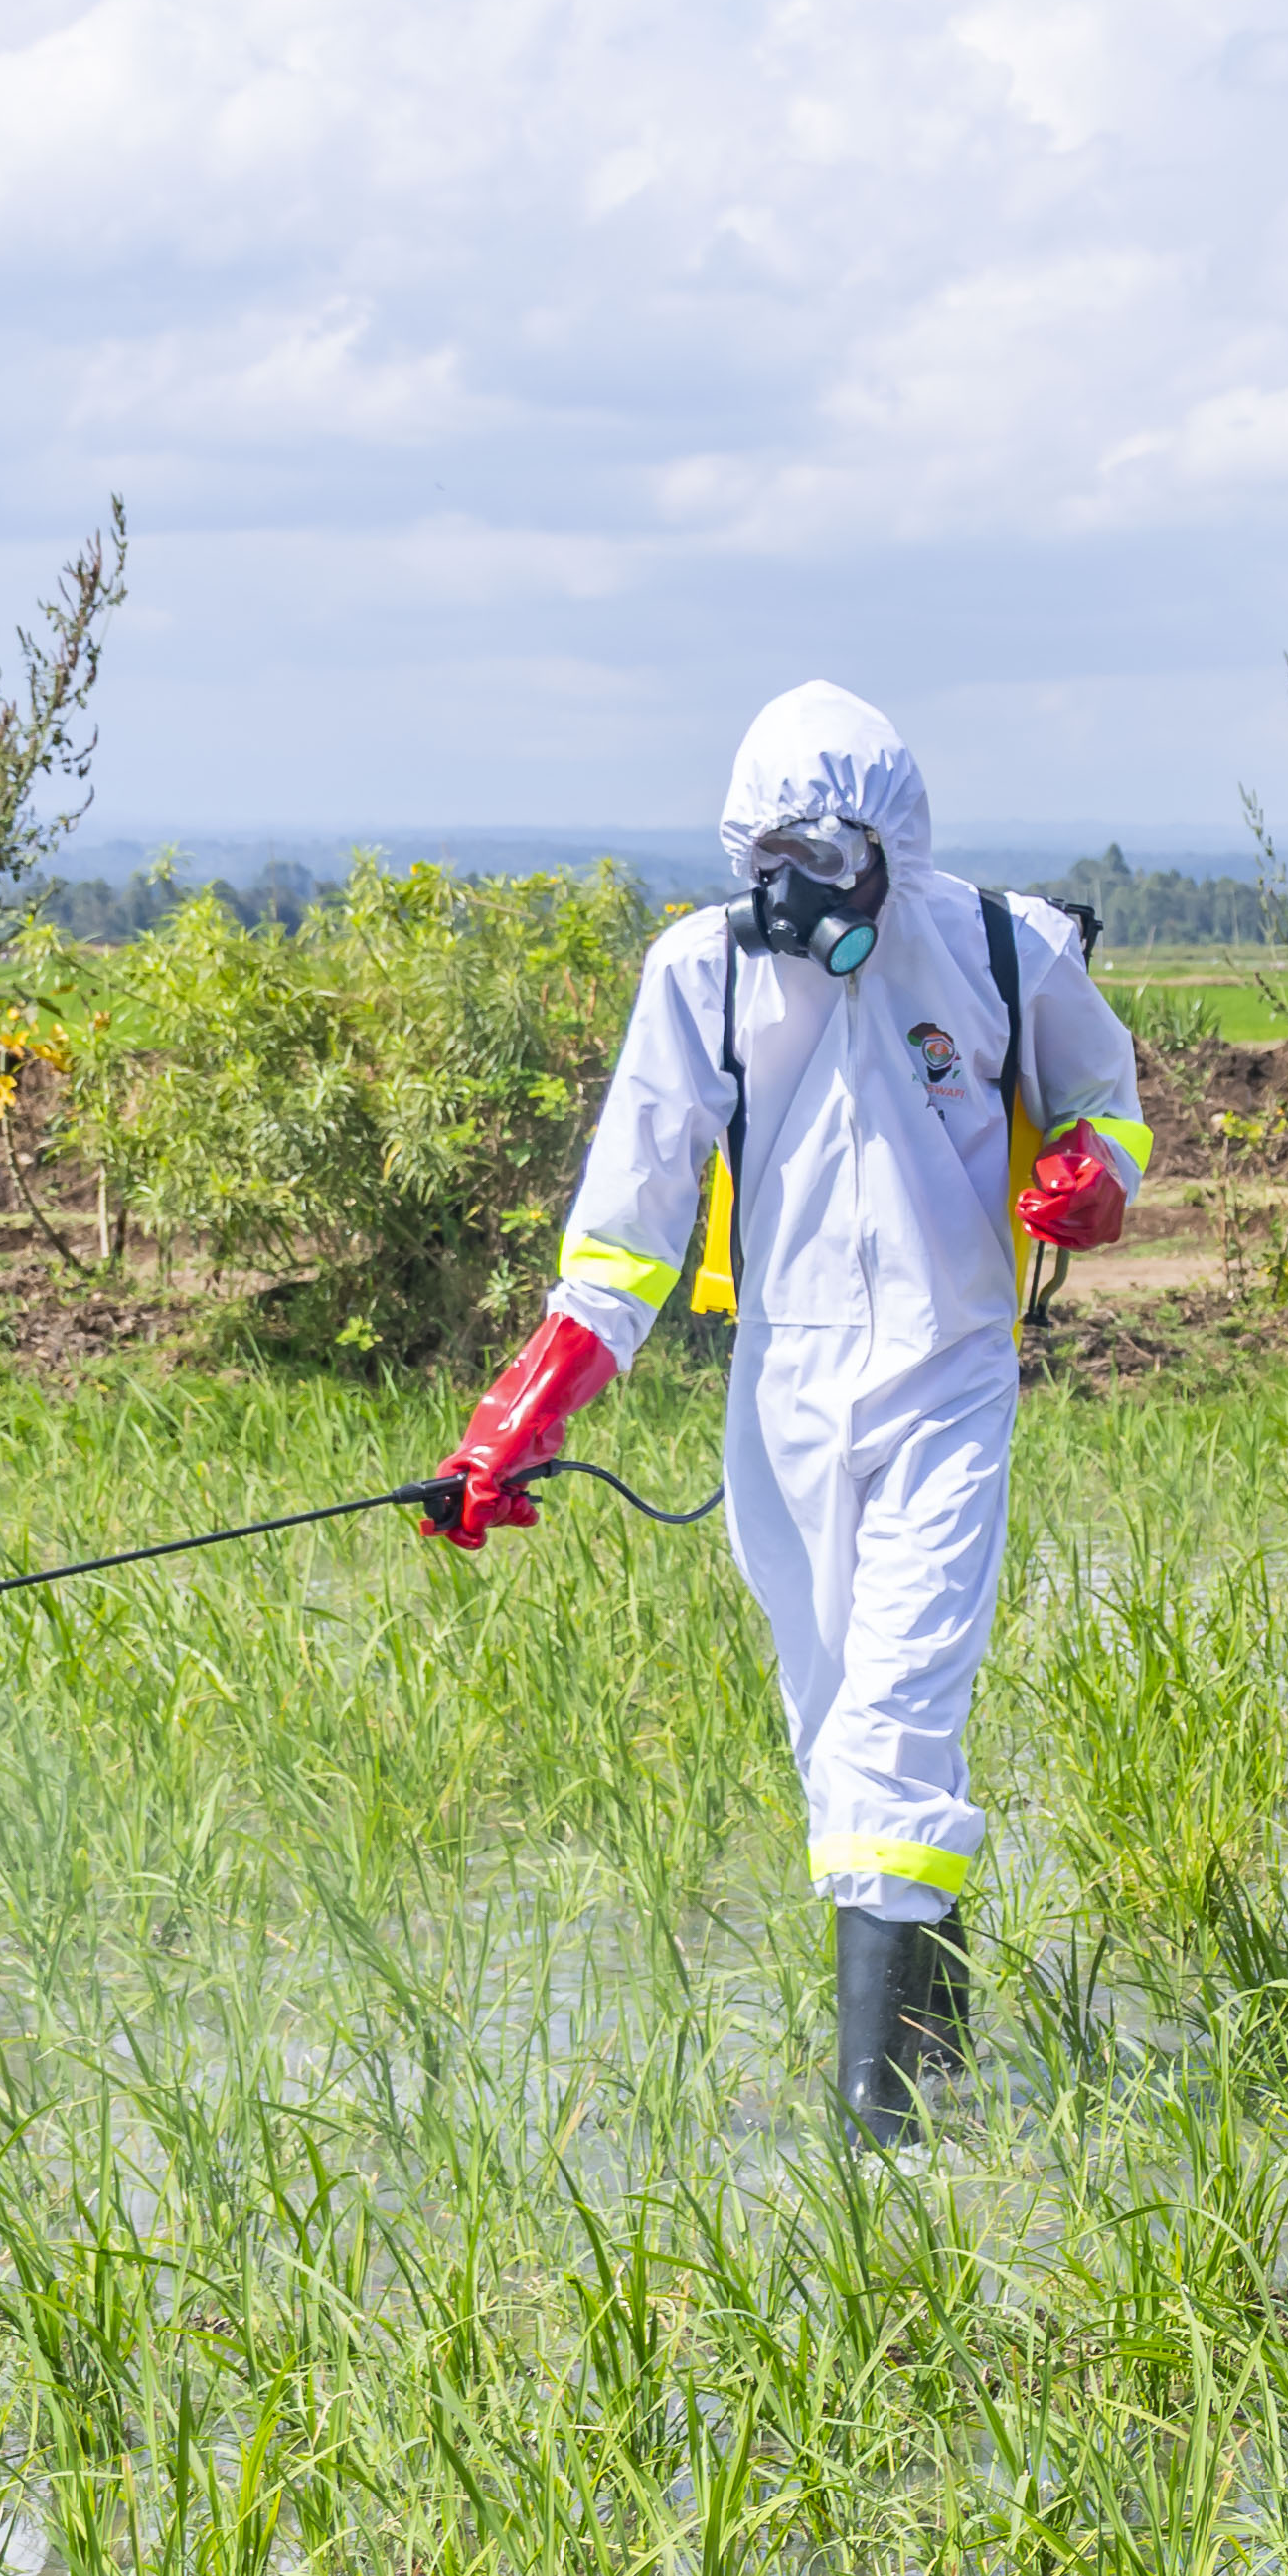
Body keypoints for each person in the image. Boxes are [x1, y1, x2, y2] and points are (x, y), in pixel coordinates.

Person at [427, 683, 1152, 2144]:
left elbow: (1105, 1097)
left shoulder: (1003, 944)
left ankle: (875, 2152)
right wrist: (527, 1410)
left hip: (952, 1375)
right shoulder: (701, 974)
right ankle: (939, 2082)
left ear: (886, 843)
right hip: (782, 1388)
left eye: (817, 856)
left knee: (894, 1717)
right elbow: (624, 1232)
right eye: (765, 857)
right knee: (842, 1743)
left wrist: (1097, 1176)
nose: (790, 891)